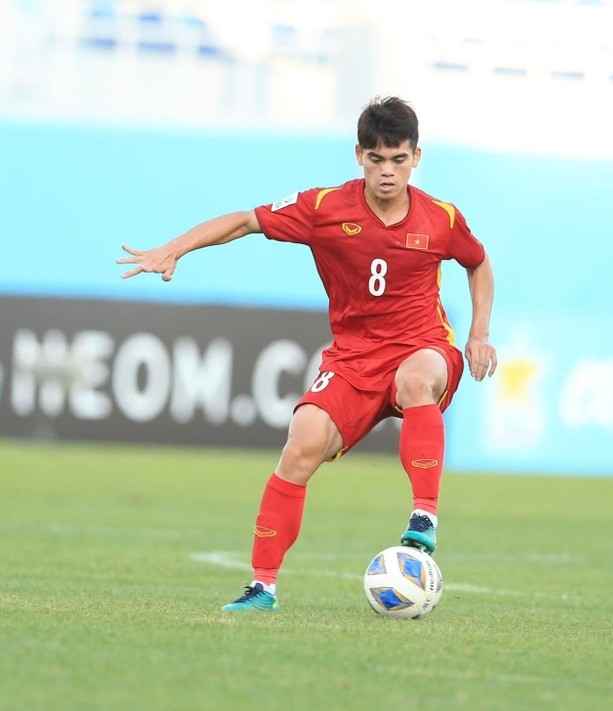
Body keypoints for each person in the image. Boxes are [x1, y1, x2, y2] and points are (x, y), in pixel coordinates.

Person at [117, 96, 497, 612]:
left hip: (421, 346)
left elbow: (478, 264)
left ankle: (424, 516)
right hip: (352, 359)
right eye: (377, 159)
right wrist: (175, 248)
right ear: (359, 156)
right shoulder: (325, 209)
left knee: (415, 379)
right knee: (301, 445)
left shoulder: (442, 219)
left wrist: (477, 334)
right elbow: (245, 221)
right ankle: (262, 588)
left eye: (399, 159)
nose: (388, 172)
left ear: (416, 158)